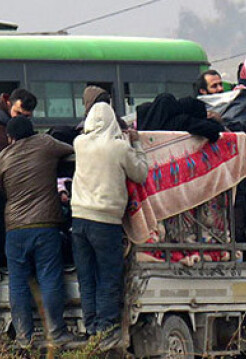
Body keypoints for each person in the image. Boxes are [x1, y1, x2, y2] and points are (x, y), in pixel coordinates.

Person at [71, 103, 148, 348]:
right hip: (106, 222)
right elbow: (141, 173)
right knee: (108, 276)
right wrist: (136, 144)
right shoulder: (119, 148)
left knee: (87, 277)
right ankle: (105, 330)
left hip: (79, 220)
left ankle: (91, 326)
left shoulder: (79, 144)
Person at [0, 117, 74, 348]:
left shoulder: (3, 157)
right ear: (32, 131)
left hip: (14, 230)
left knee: (18, 283)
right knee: (49, 277)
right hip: (44, 226)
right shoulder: (45, 143)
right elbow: (71, 149)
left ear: (11, 138)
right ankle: (56, 333)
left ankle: (24, 337)